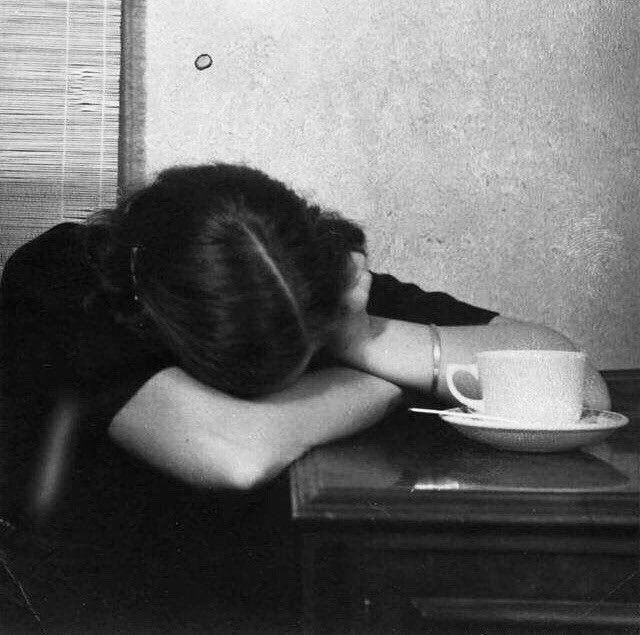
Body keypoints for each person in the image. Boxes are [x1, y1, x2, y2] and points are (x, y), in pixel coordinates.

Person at [0, 163, 610, 631]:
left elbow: (572, 381)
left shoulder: (294, 271)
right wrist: (380, 377)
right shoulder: (63, 275)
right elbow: (232, 452)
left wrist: (355, 333)